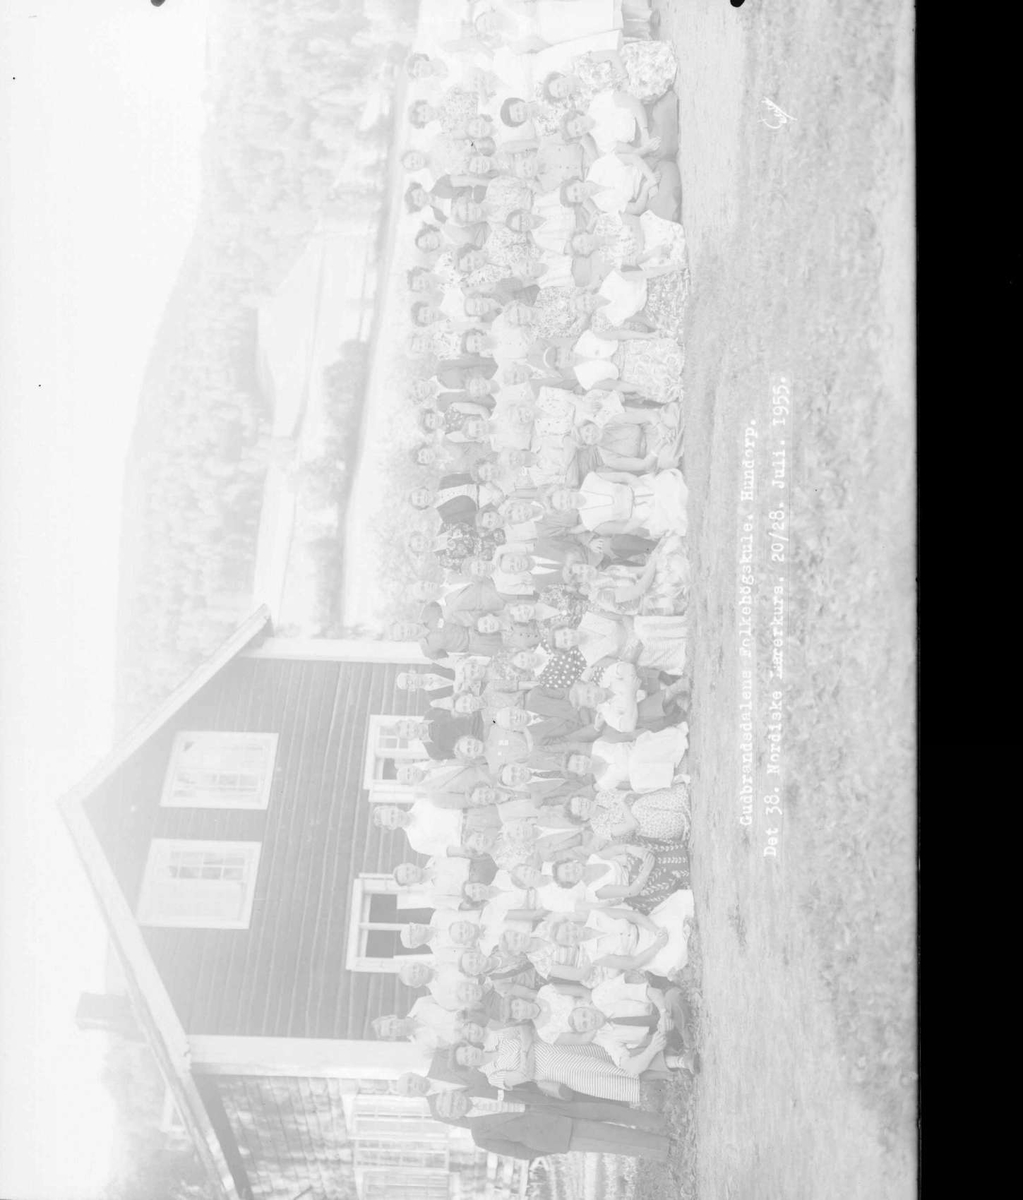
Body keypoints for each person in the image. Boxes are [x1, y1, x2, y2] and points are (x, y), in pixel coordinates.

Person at [427, 1088, 671, 1161]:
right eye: (452, 1107)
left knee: (604, 1111)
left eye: (452, 1097)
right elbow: (520, 1152)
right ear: (453, 1117)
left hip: (549, 1105)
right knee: (609, 1138)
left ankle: (660, 1123)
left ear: (457, 1092)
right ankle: (664, 1147)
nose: (456, 1103)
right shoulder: (480, 1135)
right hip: (551, 1133)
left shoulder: (483, 1084)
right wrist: (549, 1147)